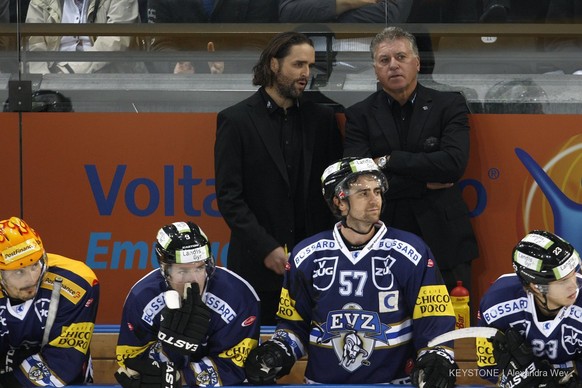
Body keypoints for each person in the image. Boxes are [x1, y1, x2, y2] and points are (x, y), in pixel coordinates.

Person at [244, 157, 457, 386]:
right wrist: (278, 351)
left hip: (393, 384)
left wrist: (437, 357)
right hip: (322, 384)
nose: (375, 200)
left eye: (377, 191)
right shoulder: (306, 255)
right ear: (340, 202)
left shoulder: (412, 252)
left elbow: (433, 318)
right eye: (363, 193)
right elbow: (294, 324)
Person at [214, 31, 343, 326]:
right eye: (298, 65)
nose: (306, 74)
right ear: (274, 64)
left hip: (316, 267)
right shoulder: (235, 120)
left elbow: (334, 191)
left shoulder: (322, 119)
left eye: (310, 66)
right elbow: (229, 197)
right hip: (256, 269)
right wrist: (266, 248)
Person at [342, 26, 478, 294]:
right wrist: (423, 184)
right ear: (375, 69)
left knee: (452, 330)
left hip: (446, 240)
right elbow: (358, 180)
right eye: (384, 60)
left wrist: (389, 160)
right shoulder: (359, 115)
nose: (393, 65)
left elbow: (452, 165)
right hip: (383, 239)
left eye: (401, 57)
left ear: (416, 63)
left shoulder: (449, 104)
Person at [114, 221, 261, 387]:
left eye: (199, 268)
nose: (193, 279)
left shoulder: (238, 295)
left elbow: (235, 365)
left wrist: (179, 378)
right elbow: (131, 361)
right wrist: (169, 349)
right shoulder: (141, 298)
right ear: (165, 270)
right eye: (182, 271)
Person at [0, 216, 100, 386]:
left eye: (35, 265)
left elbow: (65, 356)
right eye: (18, 272)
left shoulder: (78, 283)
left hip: (62, 379)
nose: (31, 279)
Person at [476, 230, 582, 387]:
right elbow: (488, 368)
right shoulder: (495, 303)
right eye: (562, 281)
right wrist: (511, 379)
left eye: (574, 273)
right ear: (536, 286)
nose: (573, 286)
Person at [147, 0, 277, 74]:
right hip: (178, 90)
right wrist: (174, 65)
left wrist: (230, 66)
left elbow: (258, 43)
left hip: (239, 88)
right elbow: (159, 42)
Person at [24, 0, 142, 74]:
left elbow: (116, 40)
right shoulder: (40, 1)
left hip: (106, 76)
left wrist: (70, 71)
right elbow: (34, 43)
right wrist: (44, 82)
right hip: (53, 75)